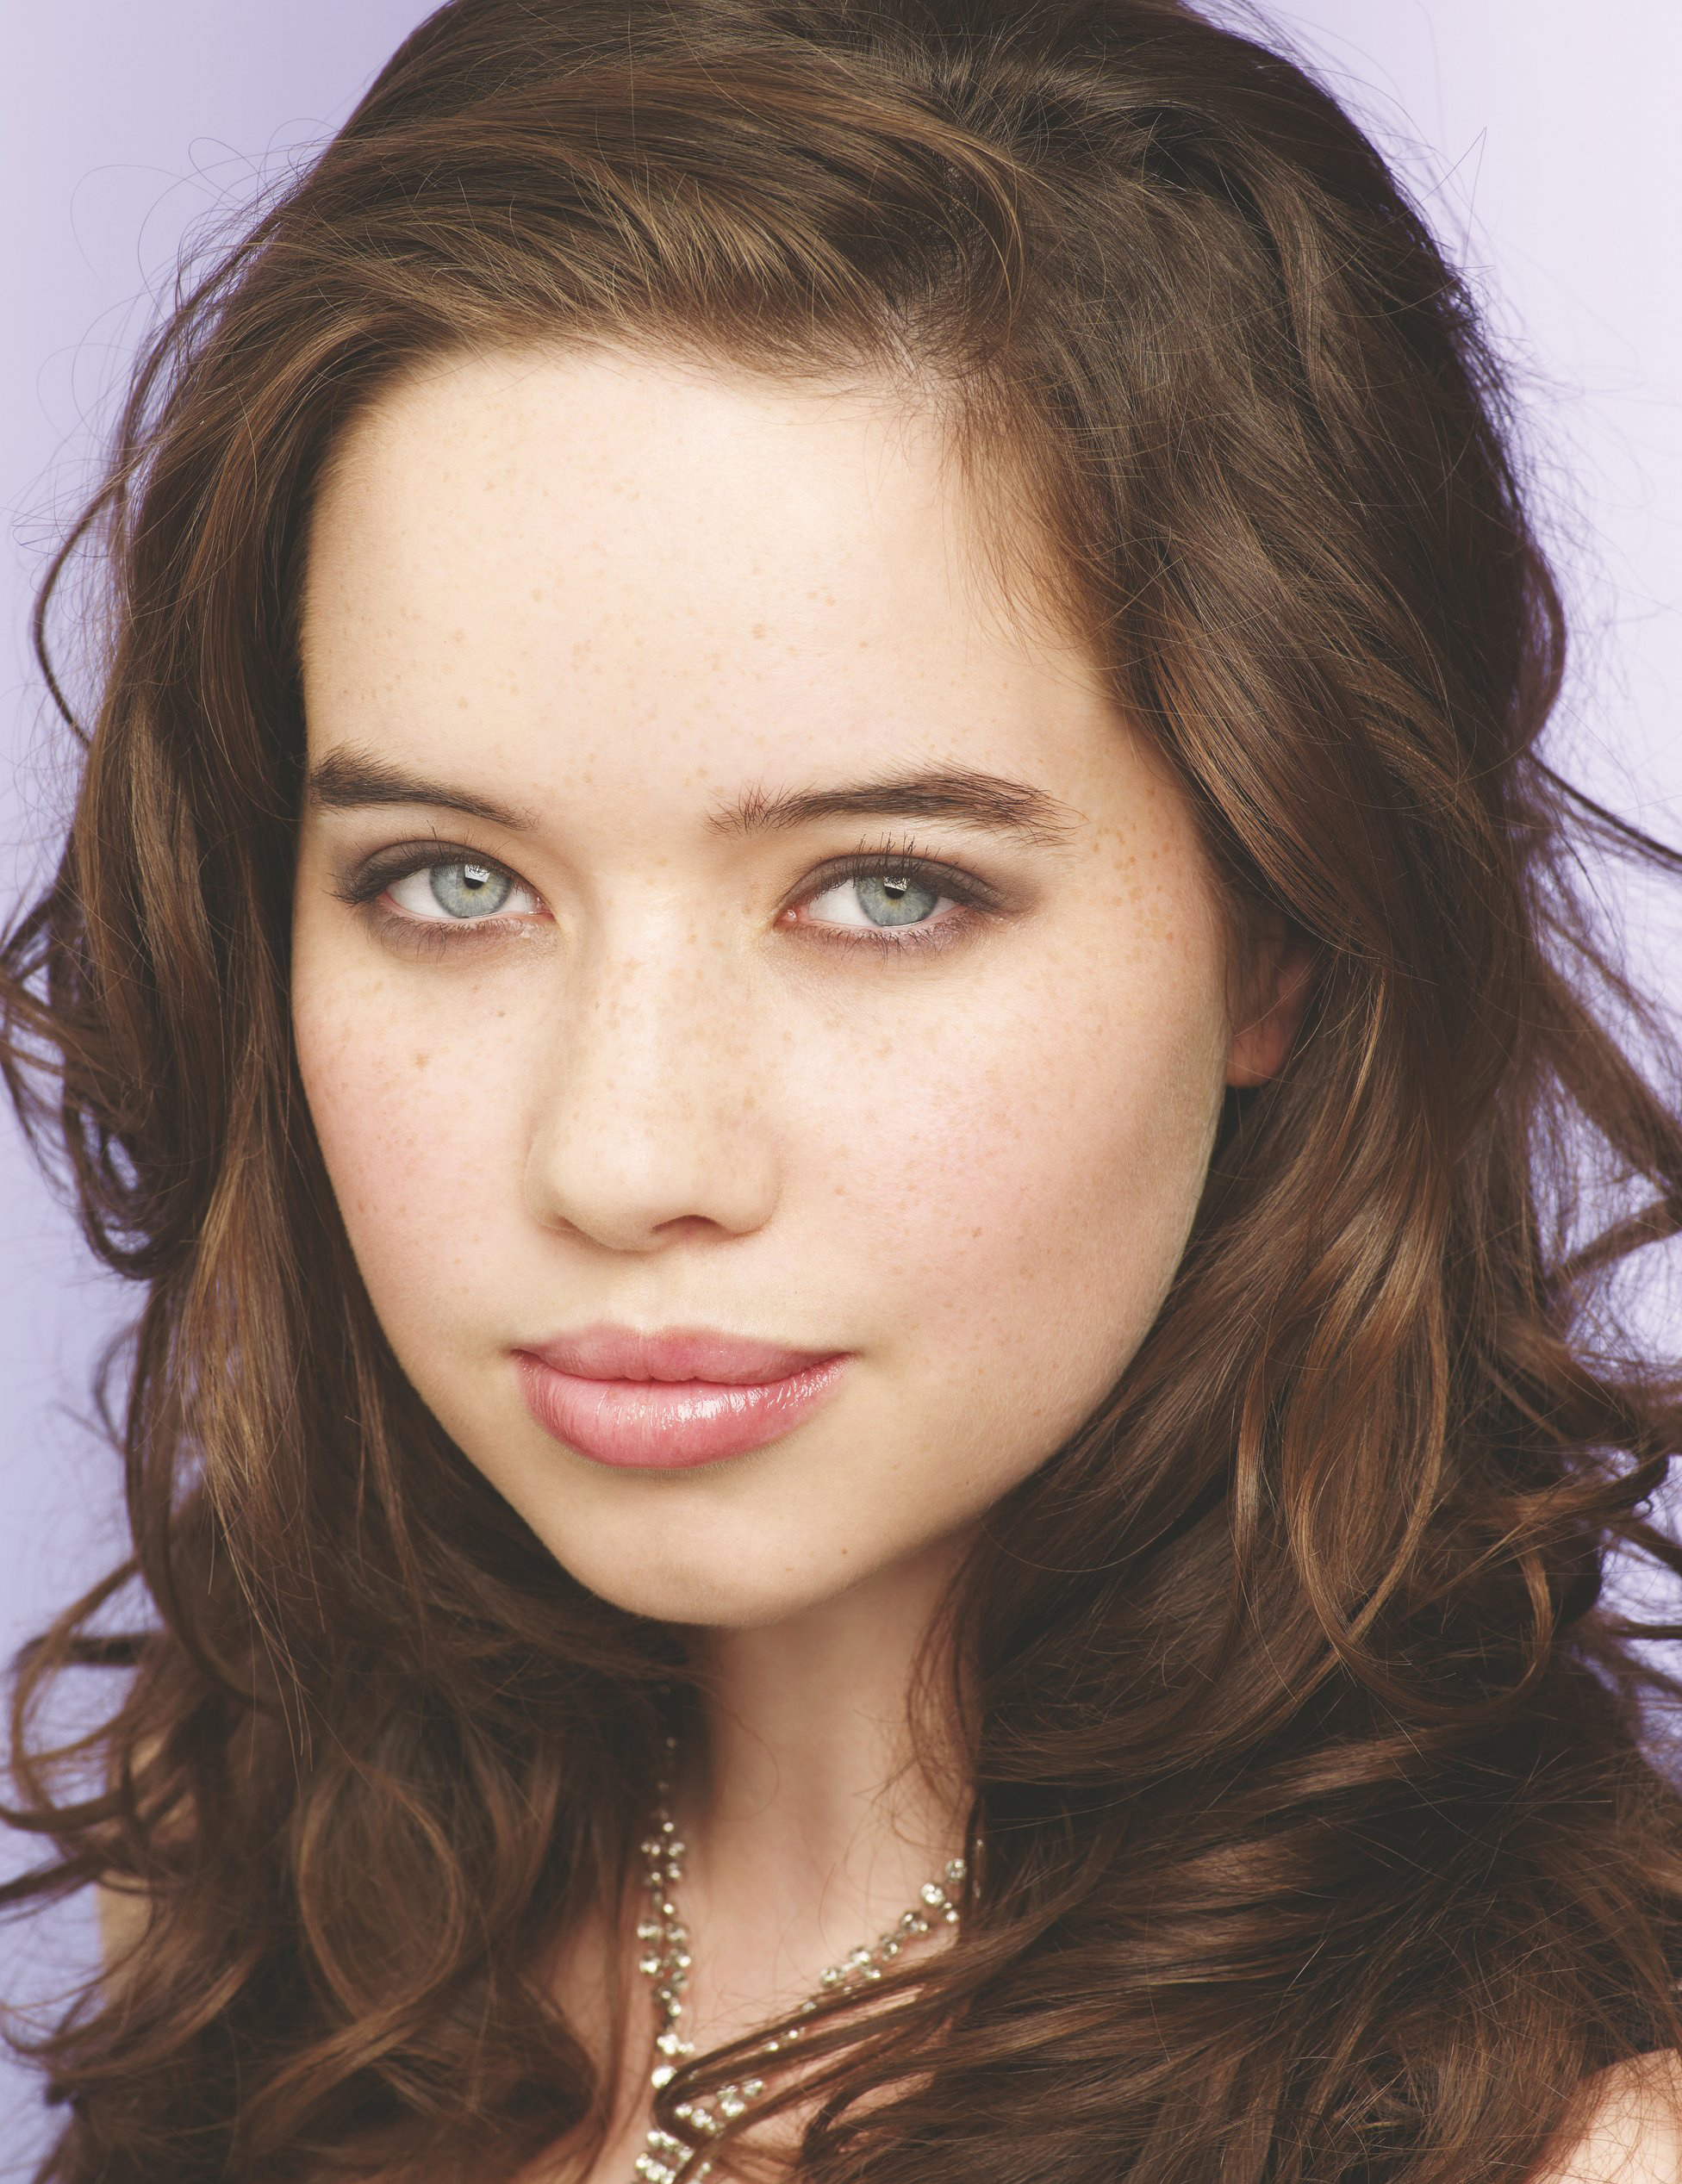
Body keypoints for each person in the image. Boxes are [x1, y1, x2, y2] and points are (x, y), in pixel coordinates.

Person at [4, 0, 1682, 2176]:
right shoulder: (246, 1903)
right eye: (449, 879)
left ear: (1286, 920)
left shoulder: (1573, 2140)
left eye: (888, 890)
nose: (622, 1154)